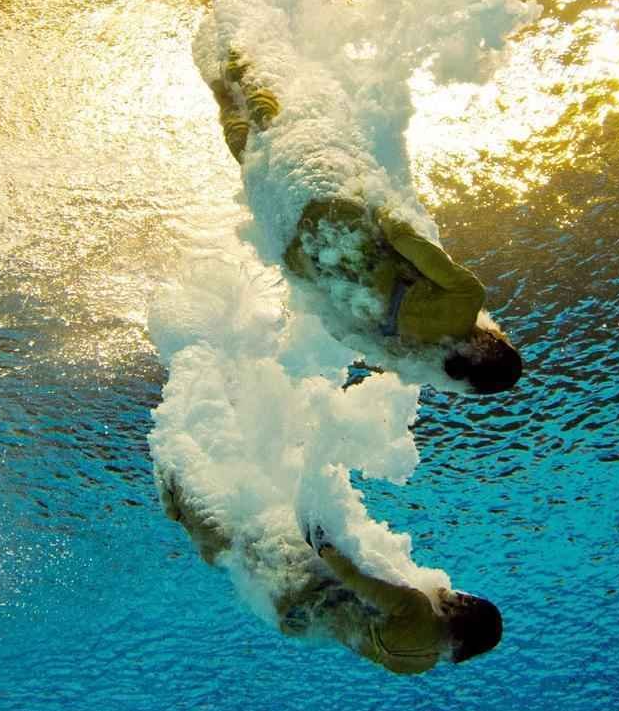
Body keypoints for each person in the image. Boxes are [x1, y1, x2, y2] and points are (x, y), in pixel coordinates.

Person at [207, 51, 522, 394]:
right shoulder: (402, 353)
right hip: (302, 248)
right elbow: (333, 318)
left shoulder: (467, 298)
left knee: (272, 129)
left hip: (339, 219)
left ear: (498, 343)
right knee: (249, 156)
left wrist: (381, 202)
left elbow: (405, 239)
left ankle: (236, 61)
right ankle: (221, 93)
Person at [159, 475, 503, 674]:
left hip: (305, 590)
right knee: (229, 550)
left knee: (229, 533)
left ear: (464, 609)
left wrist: (320, 537)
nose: (456, 592)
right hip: (297, 621)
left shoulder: (415, 609)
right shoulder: (422, 662)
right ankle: (185, 513)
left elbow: (353, 576)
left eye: (463, 597)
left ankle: (174, 482)